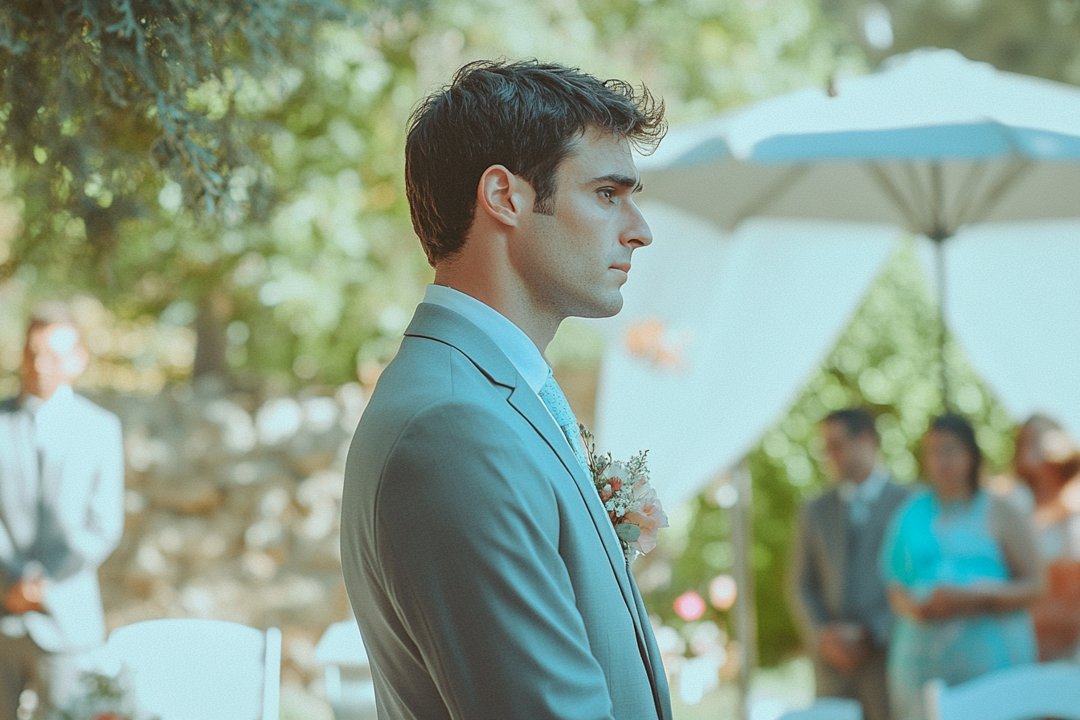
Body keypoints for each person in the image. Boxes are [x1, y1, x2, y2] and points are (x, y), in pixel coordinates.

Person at [339, 60, 670, 719]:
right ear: (504, 197)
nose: (639, 230)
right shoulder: (455, 427)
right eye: (607, 194)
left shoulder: (492, 396)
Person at [0, 302, 125, 716]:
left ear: (78, 359)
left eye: (53, 354)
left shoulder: (101, 428)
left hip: (67, 617)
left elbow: (103, 524)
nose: (40, 364)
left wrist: (44, 582)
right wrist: (12, 581)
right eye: (32, 352)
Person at [881, 413, 1042, 720]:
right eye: (934, 452)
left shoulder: (1002, 510)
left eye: (950, 450)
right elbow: (895, 583)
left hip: (993, 668)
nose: (942, 461)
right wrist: (916, 608)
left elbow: (1036, 585)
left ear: (970, 454)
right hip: (922, 669)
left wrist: (978, 599)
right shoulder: (910, 514)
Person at [789, 408, 910, 720]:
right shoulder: (814, 510)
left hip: (889, 659)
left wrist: (873, 632)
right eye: (826, 448)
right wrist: (823, 636)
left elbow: (916, 580)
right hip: (832, 666)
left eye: (837, 445)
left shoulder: (909, 503)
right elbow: (801, 584)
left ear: (865, 439)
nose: (830, 456)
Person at [1012, 413, 1080, 660]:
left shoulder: (1074, 496)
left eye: (1044, 435)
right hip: (1031, 637)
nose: (1039, 444)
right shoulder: (1014, 500)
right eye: (1029, 438)